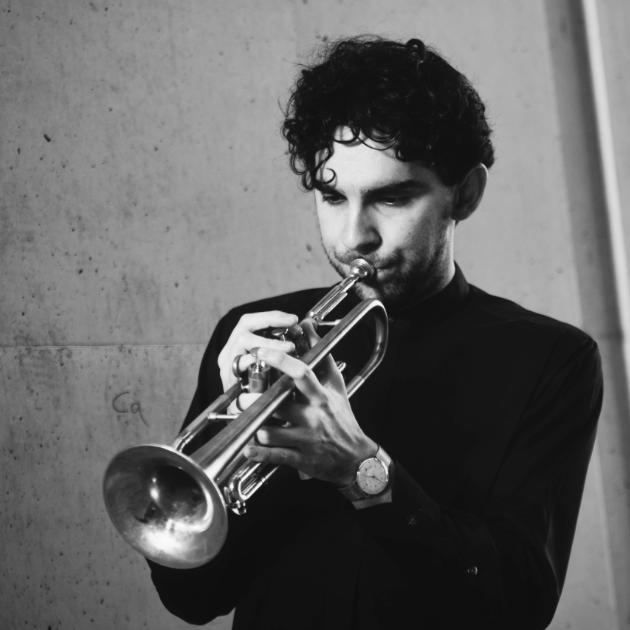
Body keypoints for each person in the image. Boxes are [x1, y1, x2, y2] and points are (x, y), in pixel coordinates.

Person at [148, 36, 603, 629]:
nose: (354, 237)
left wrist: (359, 468)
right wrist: (233, 444)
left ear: (465, 194)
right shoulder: (257, 339)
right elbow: (191, 599)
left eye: (391, 197)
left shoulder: (550, 359)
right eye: (332, 196)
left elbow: (518, 606)